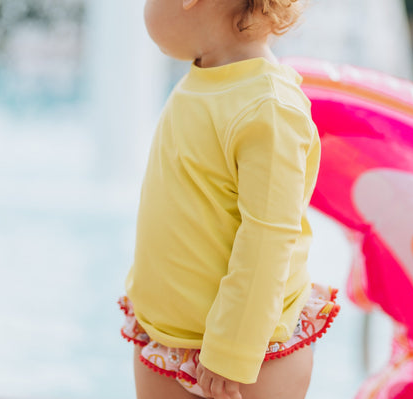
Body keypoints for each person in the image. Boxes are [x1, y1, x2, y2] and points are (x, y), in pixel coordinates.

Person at [118, 0, 340, 398]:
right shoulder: (208, 76)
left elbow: (268, 238)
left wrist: (232, 350)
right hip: (171, 332)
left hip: (250, 355)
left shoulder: (269, 107)